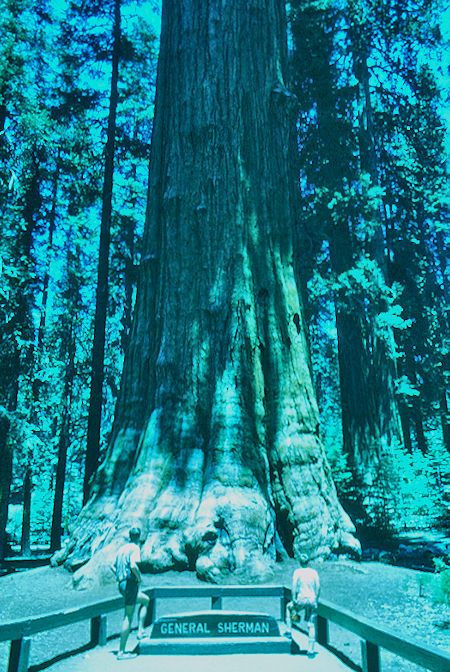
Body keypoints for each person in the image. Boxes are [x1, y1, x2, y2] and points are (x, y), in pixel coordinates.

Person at [112, 527, 150, 660]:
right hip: (130, 584)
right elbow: (133, 565)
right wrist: (139, 578)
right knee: (127, 616)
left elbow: (113, 566)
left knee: (145, 600)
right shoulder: (135, 548)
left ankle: (140, 630)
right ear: (139, 537)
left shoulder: (121, 549)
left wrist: (119, 578)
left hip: (121, 584)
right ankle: (121, 652)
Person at [286, 555, 320, 656]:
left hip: (302, 599)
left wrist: (294, 599)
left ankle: (288, 629)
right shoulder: (314, 572)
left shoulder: (298, 572)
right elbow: (318, 587)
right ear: (309, 562)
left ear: (300, 562)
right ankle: (311, 650)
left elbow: (294, 587)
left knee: (289, 607)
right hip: (312, 600)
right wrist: (316, 599)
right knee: (311, 624)